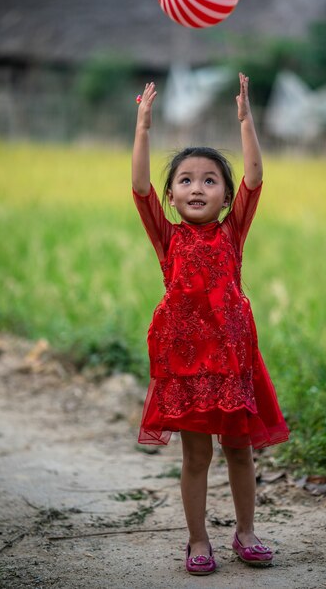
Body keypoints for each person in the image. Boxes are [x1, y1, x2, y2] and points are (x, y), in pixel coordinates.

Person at [132, 73, 289, 576]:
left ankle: (246, 531)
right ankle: (198, 541)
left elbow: (256, 176)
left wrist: (246, 122)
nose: (196, 187)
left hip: (231, 362)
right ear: (172, 197)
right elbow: (138, 187)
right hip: (186, 366)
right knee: (196, 456)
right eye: (185, 180)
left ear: (224, 196)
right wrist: (143, 128)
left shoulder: (233, 232)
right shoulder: (168, 238)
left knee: (239, 452)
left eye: (209, 180)